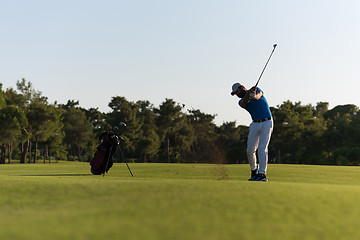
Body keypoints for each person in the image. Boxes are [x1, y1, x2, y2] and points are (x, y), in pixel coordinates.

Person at [231, 83, 273, 182]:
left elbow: (258, 96)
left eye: (237, 92)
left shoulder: (257, 90)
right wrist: (249, 94)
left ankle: (262, 174)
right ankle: (254, 171)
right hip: (255, 124)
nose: (237, 94)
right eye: (235, 93)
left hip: (267, 122)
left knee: (262, 148)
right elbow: (244, 102)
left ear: (241, 88)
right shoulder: (241, 101)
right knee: (250, 150)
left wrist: (253, 94)